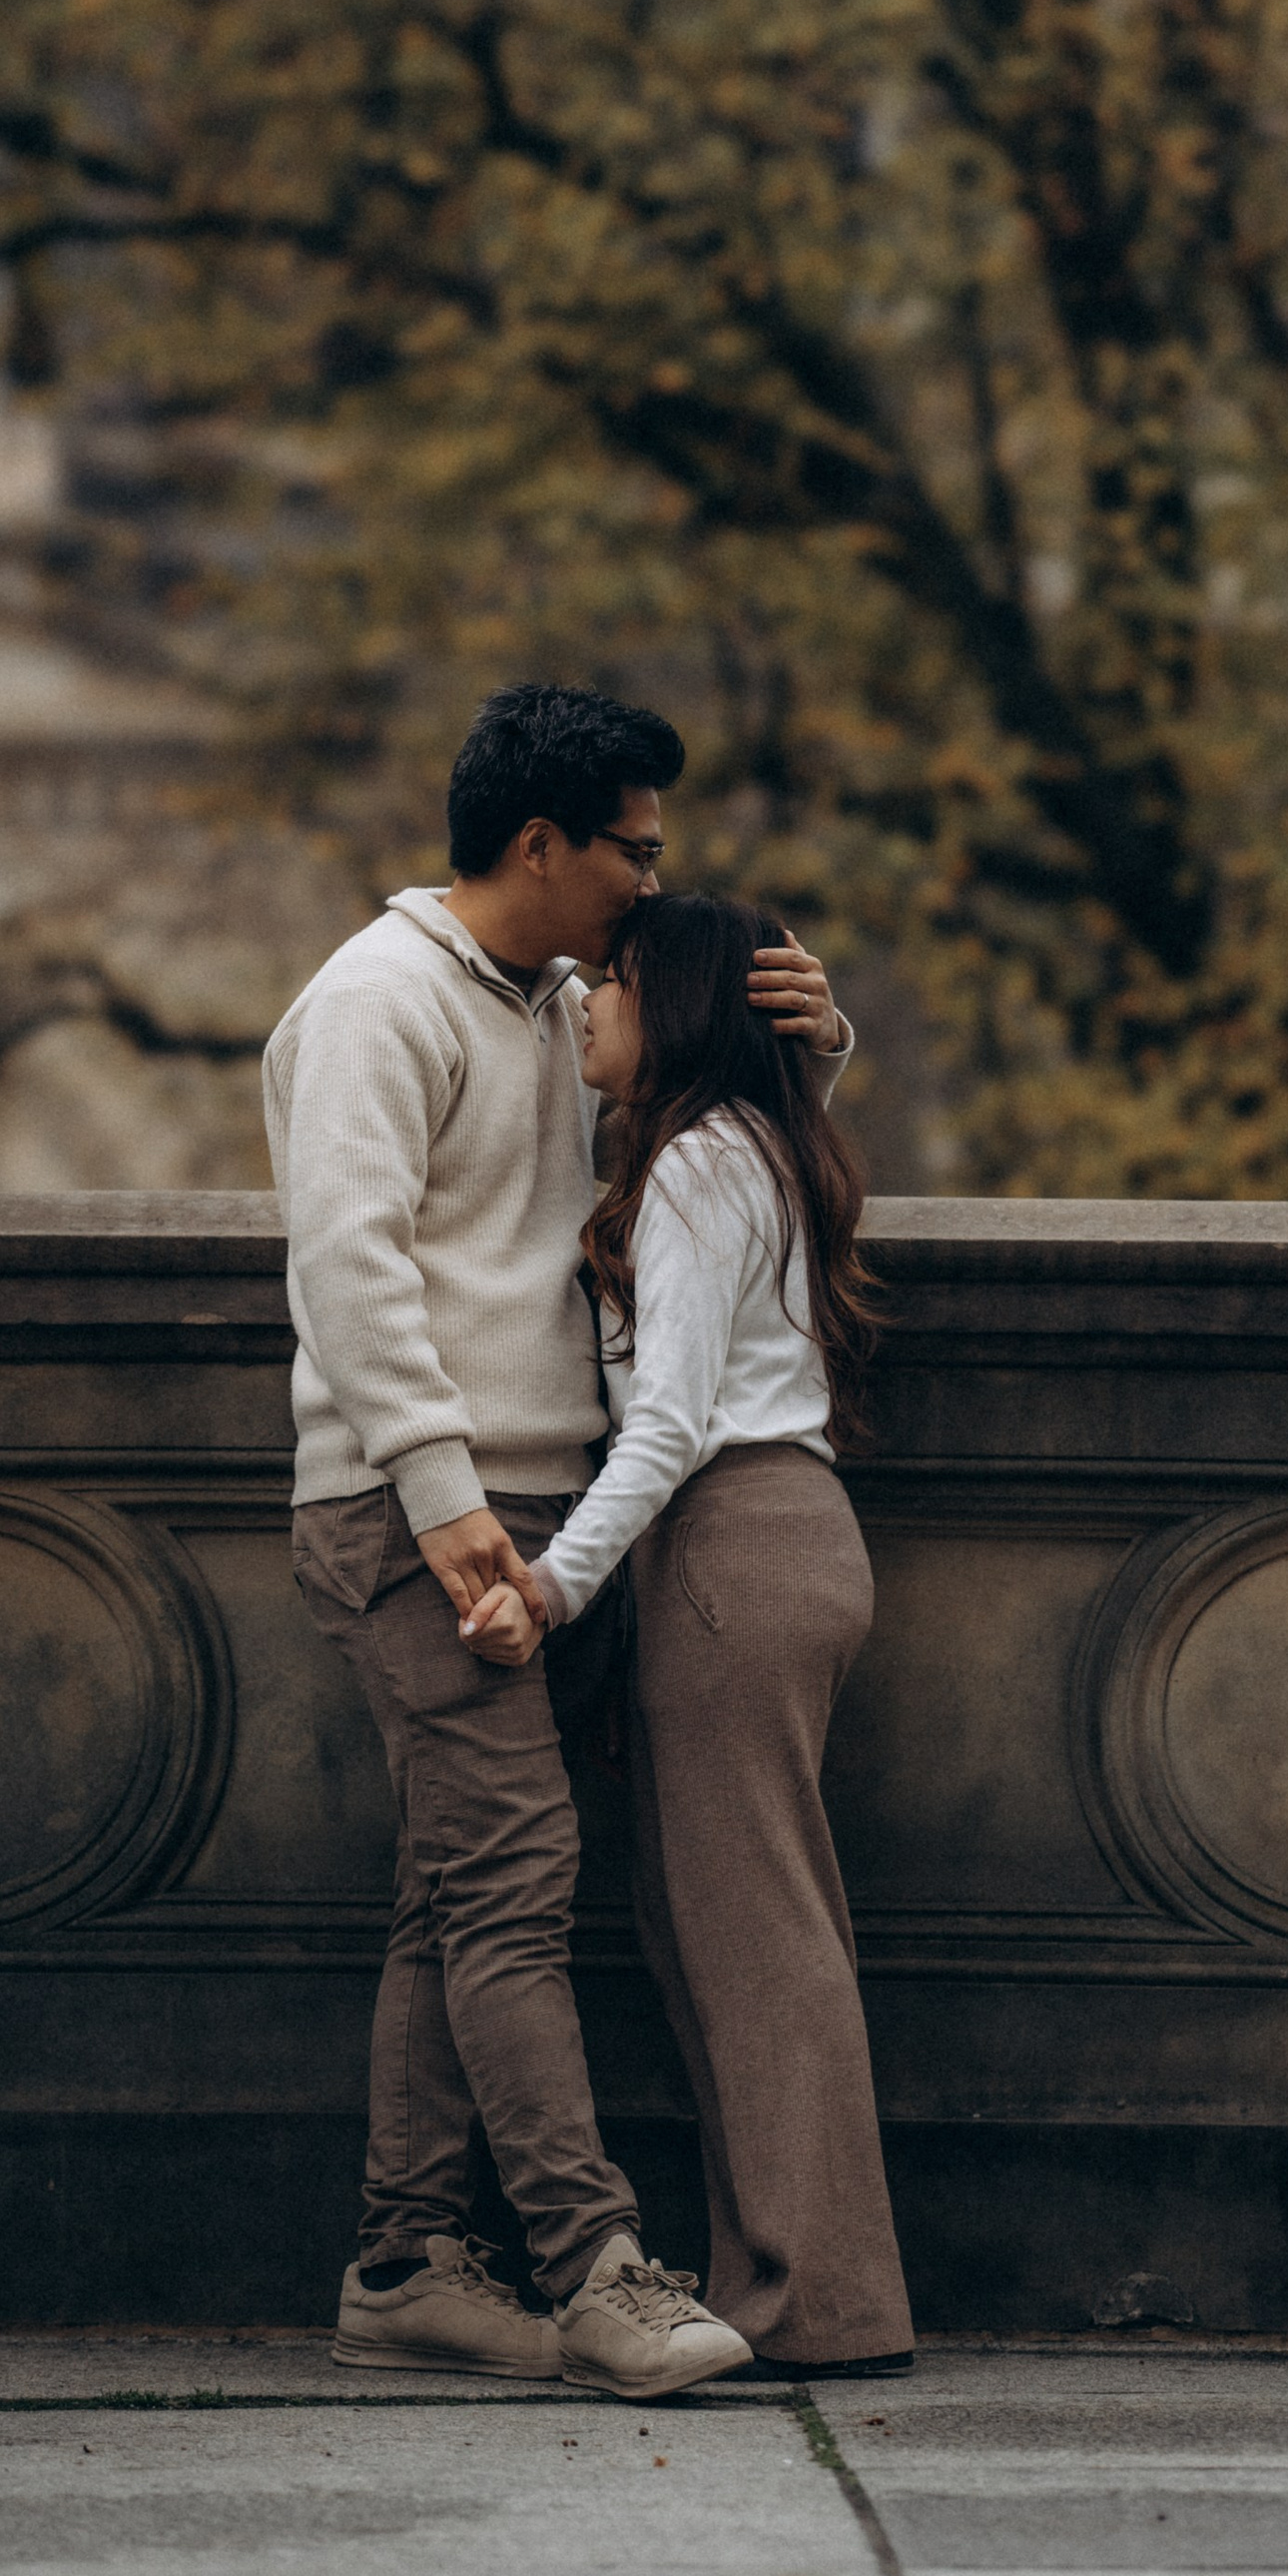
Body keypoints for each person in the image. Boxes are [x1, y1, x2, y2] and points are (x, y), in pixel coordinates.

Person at [266, 685, 849, 2398]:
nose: (653, 888)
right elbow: (348, 1268)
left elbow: (707, 1116)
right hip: (417, 1510)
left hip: (537, 1500)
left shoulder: (556, 995)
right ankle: (598, 2265)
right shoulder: (374, 1002)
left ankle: (400, 2264)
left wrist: (825, 1039)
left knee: (453, 1902)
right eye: (634, 851)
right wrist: (449, 1516)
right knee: (518, 1884)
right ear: (543, 843)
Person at [462, 888, 915, 2382]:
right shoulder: (740, 1143)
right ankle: (786, 2282)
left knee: (756, 1941)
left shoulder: (699, 1165)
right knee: (735, 1930)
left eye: (619, 979)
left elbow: (664, 1424)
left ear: (681, 1012)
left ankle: (819, 2302)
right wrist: (826, 1042)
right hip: (767, 1541)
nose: (588, 997)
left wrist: (551, 1583)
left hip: (732, 1540)